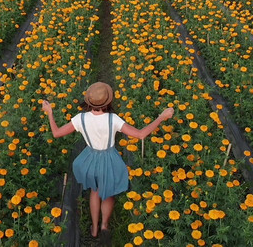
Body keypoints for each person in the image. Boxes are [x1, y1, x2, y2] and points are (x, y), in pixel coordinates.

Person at [42, 82, 174, 240]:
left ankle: (94, 229)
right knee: (108, 193)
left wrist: (49, 112)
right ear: (108, 101)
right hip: (109, 159)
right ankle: (105, 225)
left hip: (89, 159)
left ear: (89, 101)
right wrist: (161, 117)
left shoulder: (80, 118)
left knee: (95, 191)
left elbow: (56, 133)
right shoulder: (113, 119)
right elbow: (140, 134)